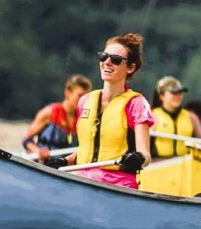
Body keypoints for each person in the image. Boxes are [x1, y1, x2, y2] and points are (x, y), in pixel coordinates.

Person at [45, 33, 153, 189]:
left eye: (116, 60)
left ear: (130, 67)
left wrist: (138, 158)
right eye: (104, 57)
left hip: (117, 186)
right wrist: (65, 161)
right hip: (81, 182)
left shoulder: (136, 104)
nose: (107, 62)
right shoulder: (85, 101)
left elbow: (146, 156)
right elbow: (89, 151)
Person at [22, 74, 92, 162]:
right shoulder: (49, 112)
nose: (83, 100)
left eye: (86, 97)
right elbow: (26, 139)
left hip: (66, 168)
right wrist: (38, 151)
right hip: (45, 164)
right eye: (80, 95)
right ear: (67, 93)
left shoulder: (84, 119)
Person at [150, 76, 201, 158]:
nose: (178, 96)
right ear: (162, 96)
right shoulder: (152, 116)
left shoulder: (191, 117)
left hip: (185, 165)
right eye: (173, 93)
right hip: (159, 164)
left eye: (180, 92)